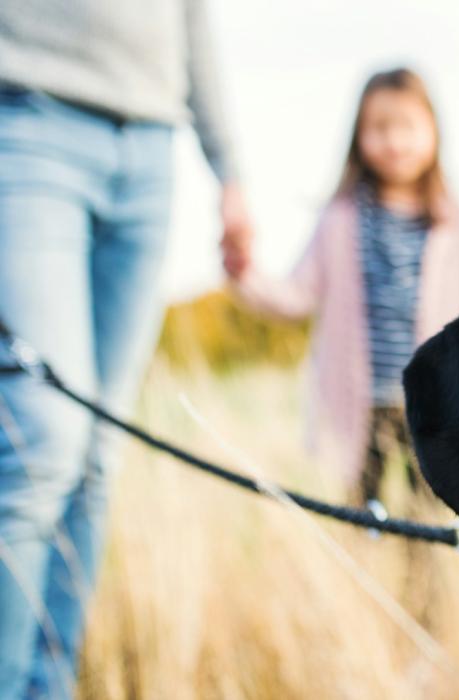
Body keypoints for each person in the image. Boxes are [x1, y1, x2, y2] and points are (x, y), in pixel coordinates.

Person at [0, 2, 250, 697]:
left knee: (96, 456)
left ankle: (48, 687)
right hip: (24, 124)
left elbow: (190, 17)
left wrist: (229, 170)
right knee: (42, 439)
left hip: (150, 151)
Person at [224, 68, 459, 513]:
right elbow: (296, 294)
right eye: (379, 128)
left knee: (431, 517)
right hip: (363, 409)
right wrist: (245, 273)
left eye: (408, 126)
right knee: (362, 517)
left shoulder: (457, 226)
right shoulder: (339, 219)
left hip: (436, 407)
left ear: (434, 132)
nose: (394, 141)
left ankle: (422, 588)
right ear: (359, 136)